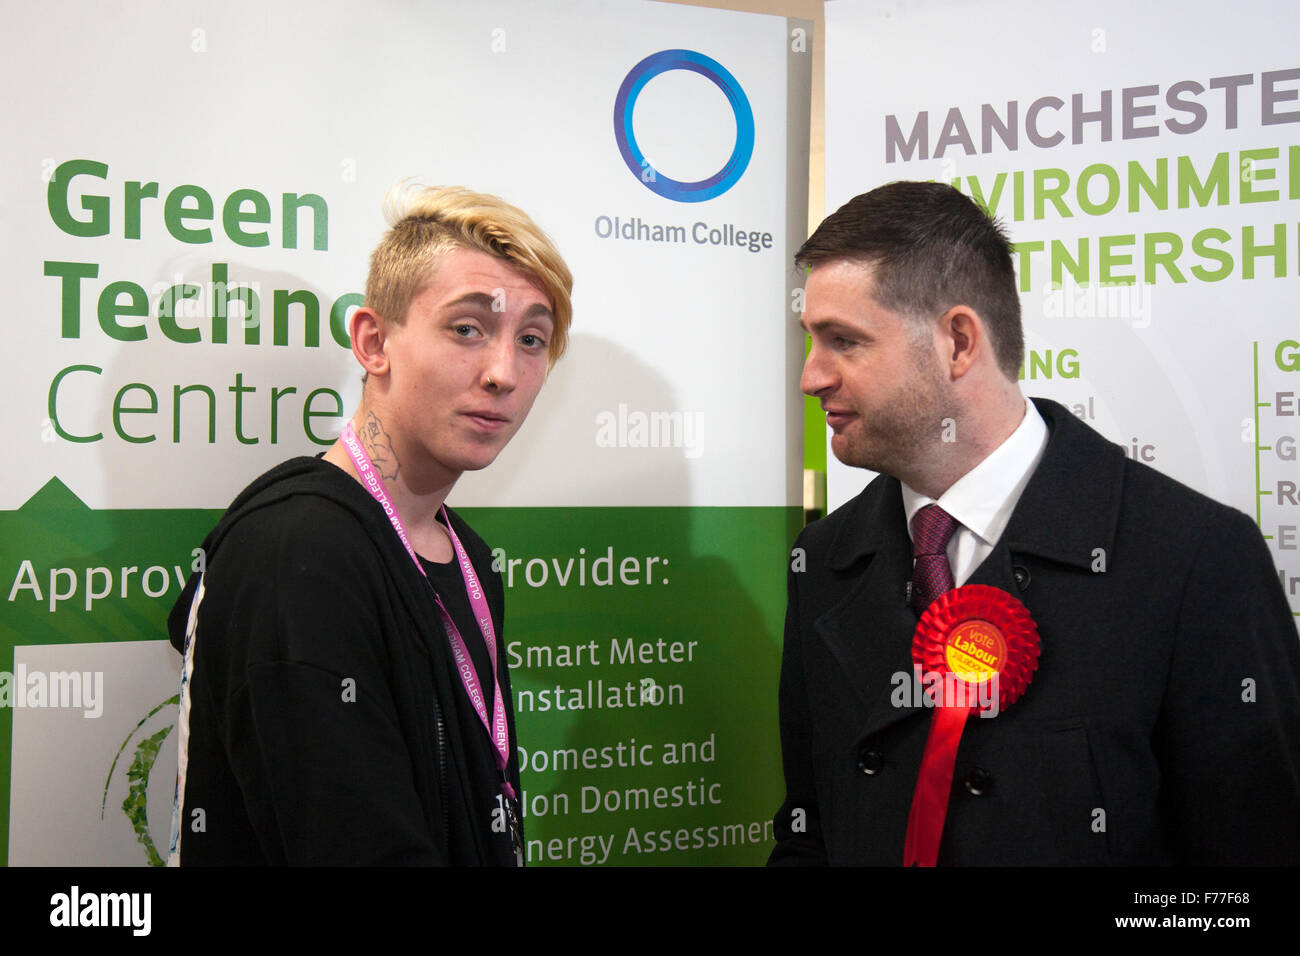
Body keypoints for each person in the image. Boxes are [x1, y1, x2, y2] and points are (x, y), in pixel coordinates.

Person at [769, 180, 1300, 865]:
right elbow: (806, 833)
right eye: (811, 340)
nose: (811, 377)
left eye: (844, 341)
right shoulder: (823, 558)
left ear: (958, 342)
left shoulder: (1194, 555)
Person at [167, 184, 572, 865]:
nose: (504, 372)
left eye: (531, 339)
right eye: (467, 328)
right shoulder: (298, 550)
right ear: (374, 341)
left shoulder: (463, 552)